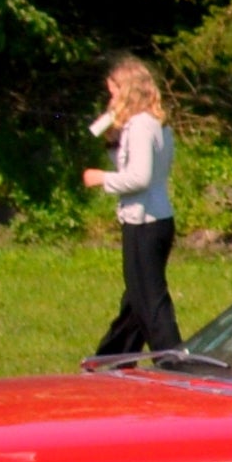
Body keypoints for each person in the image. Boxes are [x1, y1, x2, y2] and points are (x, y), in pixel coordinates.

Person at [83, 56, 179, 357]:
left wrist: (101, 178)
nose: (110, 98)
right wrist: (111, 134)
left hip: (144, 223)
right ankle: (112, 357)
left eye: (113, 91)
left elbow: (139, 178)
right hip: (156, 219)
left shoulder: (140, 125)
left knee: (149, 300)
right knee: (135, 299)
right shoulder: (156, 123)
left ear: (125, 91)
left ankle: (173, 361)